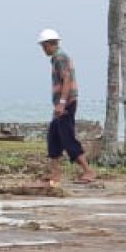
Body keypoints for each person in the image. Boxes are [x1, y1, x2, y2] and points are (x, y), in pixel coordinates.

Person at [37, 29, 95, 185]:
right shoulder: (57, 58)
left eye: (44, 46)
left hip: (67, 103)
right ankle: (55, 174)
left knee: (67, 138)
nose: (43, 50)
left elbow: (67, 80)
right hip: (61, 104)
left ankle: (88, 171)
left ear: (50, 44)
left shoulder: (60, 58)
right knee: (53, 138)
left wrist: (62, 103)